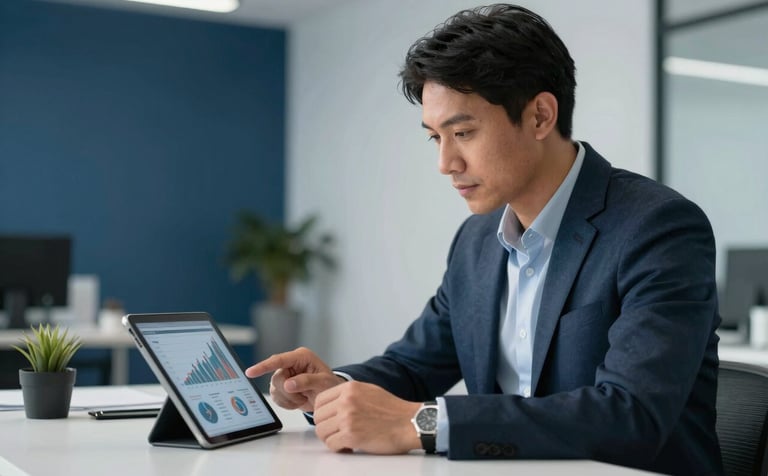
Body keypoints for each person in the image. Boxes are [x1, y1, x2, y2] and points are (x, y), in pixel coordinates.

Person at [246, 4, 723, 474]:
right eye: (436, 137)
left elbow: (630, 417)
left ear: (539, 116)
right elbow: (414, 366)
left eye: (464, 132)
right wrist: (334, 388)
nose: (446, 163)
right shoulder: (477, 241)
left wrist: (421, 422)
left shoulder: (658, 227)